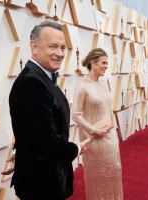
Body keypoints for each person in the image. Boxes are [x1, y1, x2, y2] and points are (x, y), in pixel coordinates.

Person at [7, 21, 90, 200]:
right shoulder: (32, 83)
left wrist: (20, 152)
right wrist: (75, 149)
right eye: (53, 46)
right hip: (42, 185)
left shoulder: (40, 78)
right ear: (34, 47)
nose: (59, 53)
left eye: (62, 47)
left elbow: (32, 128)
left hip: (46, 179)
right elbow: (47, 142)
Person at [72, 48, 123, 199]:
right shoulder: (83, 87)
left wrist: (111, 127)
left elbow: (108, 108)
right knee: (97, 175)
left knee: (115, 170)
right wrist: (93, 130)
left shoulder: (105, 81)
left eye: (107, 63)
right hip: (95, 139)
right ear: (92, 63)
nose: (106, 66)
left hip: (110, 136)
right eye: (104, 63)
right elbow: (75, 115)